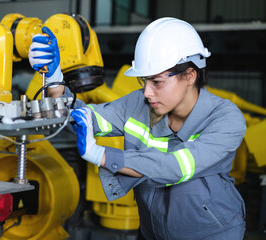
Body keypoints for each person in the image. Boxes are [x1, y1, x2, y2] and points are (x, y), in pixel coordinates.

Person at [29, 17, 246, 240]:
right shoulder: (138, 105)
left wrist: (102, 155)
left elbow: (176, 167)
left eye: (157, 82)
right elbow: (86, 119)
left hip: (211, 234)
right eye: (144, 81)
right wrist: (55, 83)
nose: (147, 92)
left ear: (190, 75)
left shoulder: (226, 119)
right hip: (151, 232)